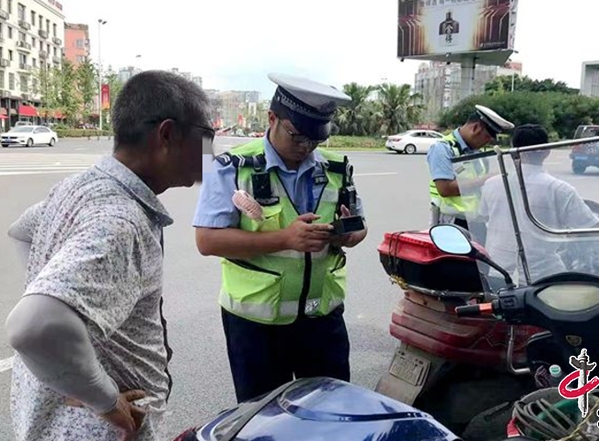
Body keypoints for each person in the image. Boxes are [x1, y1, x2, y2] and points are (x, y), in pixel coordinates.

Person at [5, 70, 215, 441]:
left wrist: (77, 310)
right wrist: (104, 399)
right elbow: (33, 326)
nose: (210, 154)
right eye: (206, 138)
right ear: (167, 135)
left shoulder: (80, 186)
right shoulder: (122, 220)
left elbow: (23, 231)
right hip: (96, 429)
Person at [193, 73, 368, 403]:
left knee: (330, 412)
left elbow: (360, 228)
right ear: (272, 118)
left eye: (315, 141)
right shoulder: (232, 167)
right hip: (256, 326)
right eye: (298, 136)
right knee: (263, 419)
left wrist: (346, 236)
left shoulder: (336, 168)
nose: (306, 147)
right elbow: (207, 241)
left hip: (322, 319)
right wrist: (285, 239)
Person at [478, 124, 599, 284]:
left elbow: (484, 215)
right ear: (547, 151)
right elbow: (589, 227)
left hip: (497, 273)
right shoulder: (559, 189)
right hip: (541, 277)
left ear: (513, 150)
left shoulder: (492, 184)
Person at [427, 104, 514, 244]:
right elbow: (445, 189)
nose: (487, 142)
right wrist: (486, 179)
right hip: (453, 222)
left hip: (477, 221)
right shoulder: (443, 149)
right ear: (475, 128)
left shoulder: (478, 154)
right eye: (486, 138)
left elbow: (480, 190)